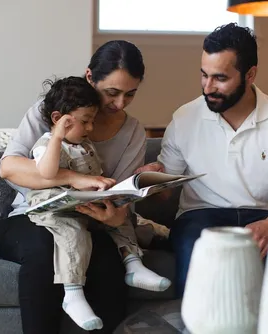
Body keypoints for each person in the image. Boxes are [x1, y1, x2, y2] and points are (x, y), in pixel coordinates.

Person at [136, 23, 268, 297]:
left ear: (250, 75)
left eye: (220, 78)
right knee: (198, 270)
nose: (208, 87)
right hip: (200, 215)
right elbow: (164, 195)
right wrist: (150, 179)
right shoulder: (184, 118)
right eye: (204, 75)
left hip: (261, 215)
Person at [0, 40, 151, 334]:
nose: (119, 104)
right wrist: (72, 177)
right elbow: (9, 167)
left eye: (130, 94)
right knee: (44, 254)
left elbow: (122, 198)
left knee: (107, 265)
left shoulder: (132, 131)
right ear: (90, 77)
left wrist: (115, 216)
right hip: (30, 218)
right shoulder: (51, 111)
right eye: (112, 93)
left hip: (91, 222)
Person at [25, 76, 170, 331]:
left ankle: (133, 264)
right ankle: (72, 293)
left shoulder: (85, 144)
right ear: (59, 119)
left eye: (92, 120)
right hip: (55, 210)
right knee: (74, 234)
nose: (91, 128)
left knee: (120, 217)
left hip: (82, 205)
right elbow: (47, 173)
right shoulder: (47, 144)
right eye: (85, 122)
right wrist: (58, 137)